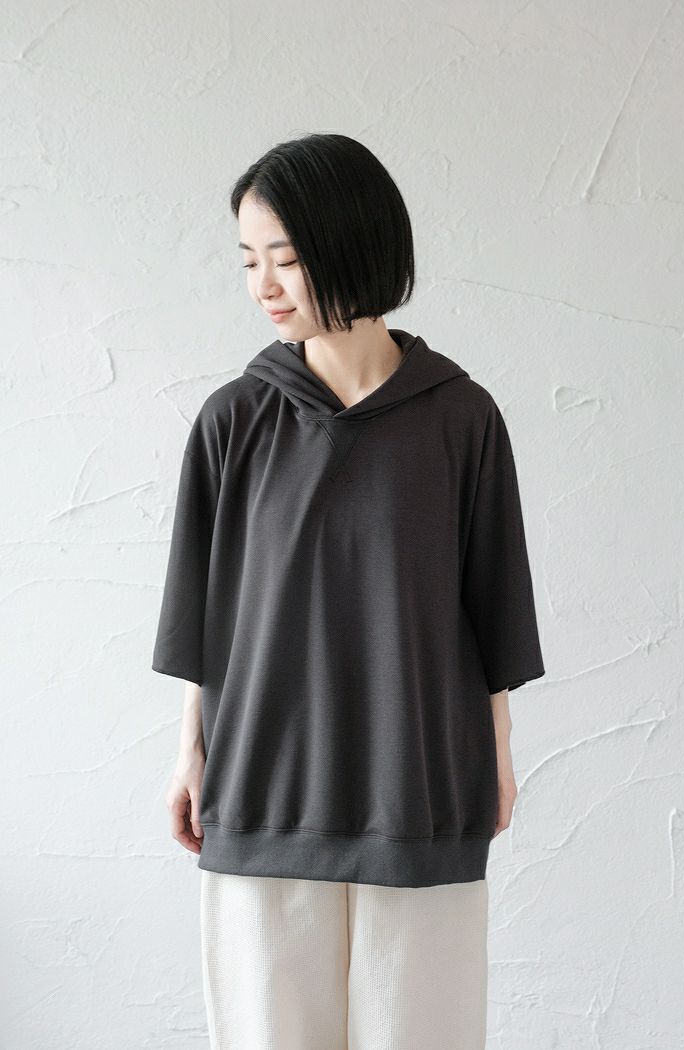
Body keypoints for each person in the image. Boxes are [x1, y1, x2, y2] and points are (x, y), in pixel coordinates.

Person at [152, 132, 545, 1050]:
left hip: (419, 789)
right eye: (248, 260)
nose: (263, 285)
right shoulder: (233, 420)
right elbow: (203, 612)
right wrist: (188, 752)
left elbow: (494, 606)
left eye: (285, 258)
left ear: (353, 246)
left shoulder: (462, 418)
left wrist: (497, 754)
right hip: (263, 784)